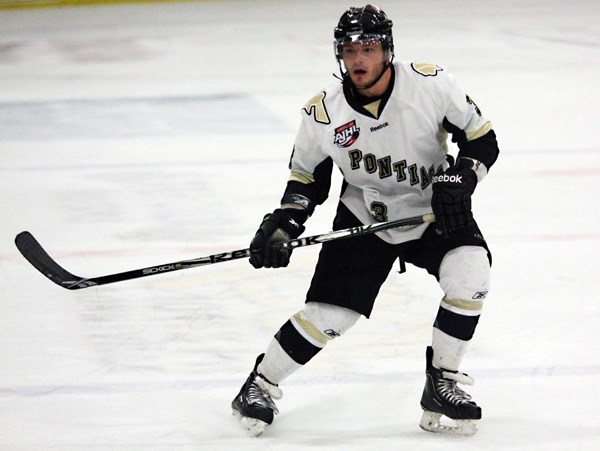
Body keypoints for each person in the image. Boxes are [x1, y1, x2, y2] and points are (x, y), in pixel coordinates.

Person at [232, 4, 499, 437]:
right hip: (365, 215)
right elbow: (306, 178)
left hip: (434, 209)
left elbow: (481, 138)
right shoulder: (323, 112)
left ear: (387, 50)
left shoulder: (431, 84)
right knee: (330, 315)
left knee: (471, 273)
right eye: (349, 49)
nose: (359, 59)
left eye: (369, 48)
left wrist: (462, 176)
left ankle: (442, 381)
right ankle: (258, 385)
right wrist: (285, 220)